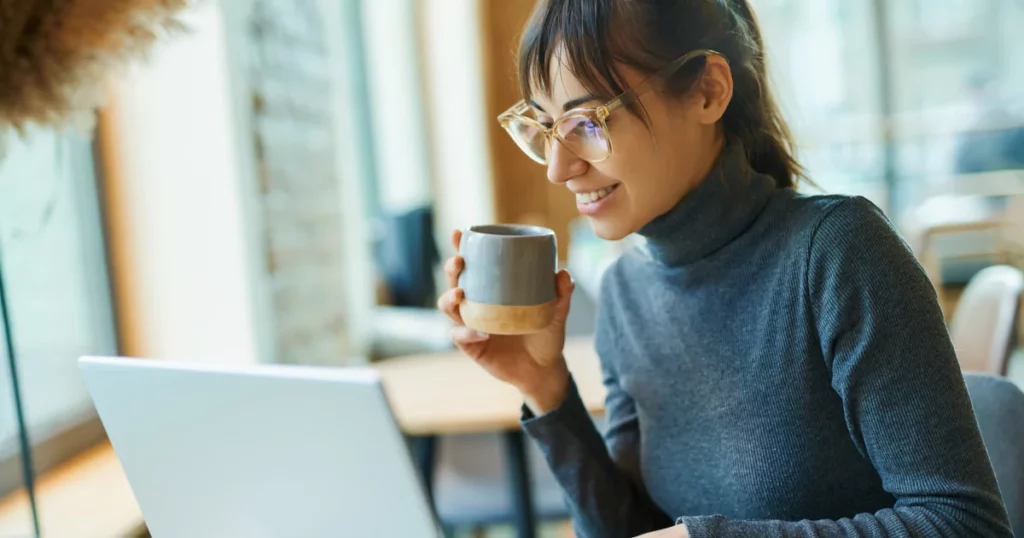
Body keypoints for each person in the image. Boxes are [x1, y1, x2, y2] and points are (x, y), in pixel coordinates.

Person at [437, 0, 1013, 536]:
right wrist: (544, 386)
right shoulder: (625, 292)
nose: (559, 169)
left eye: (588, 122)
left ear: (708, 92)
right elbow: (638, 529)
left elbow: (962, 522)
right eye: (542, 127)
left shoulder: (838, 252)